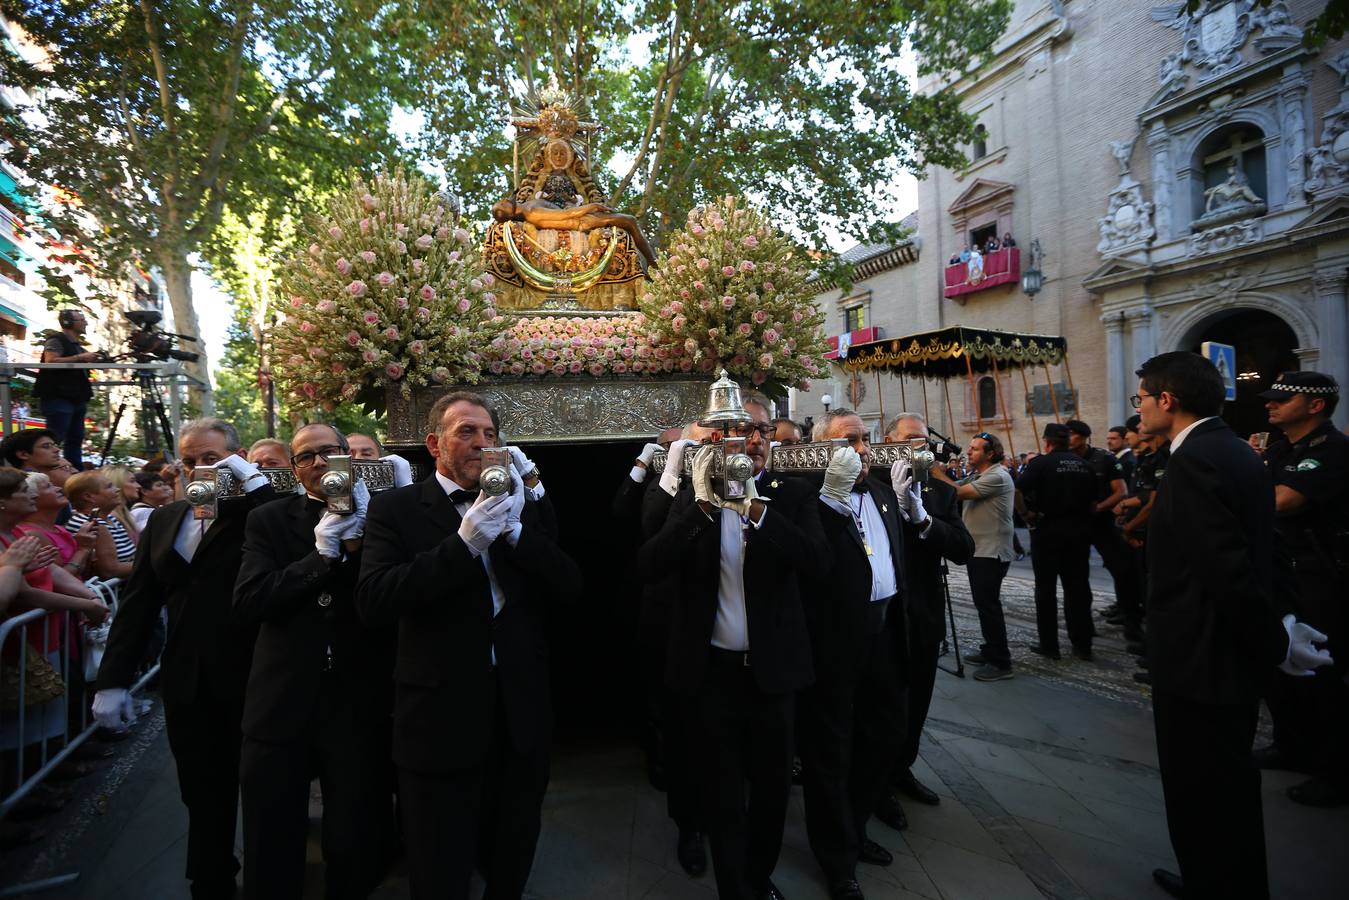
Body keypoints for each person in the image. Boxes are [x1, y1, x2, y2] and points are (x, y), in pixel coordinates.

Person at [357, 392, 579, 900]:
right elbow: (374, 601)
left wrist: (520, 532)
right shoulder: (395, 510)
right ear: (435, 444)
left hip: (518, 709)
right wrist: (464, 545)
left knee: (514, 843)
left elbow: (569, 587)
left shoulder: (518, 498)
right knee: (439, 860)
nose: (482, 443)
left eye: (490, 434)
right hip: (438, 714)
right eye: (467, 432)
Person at [1133, 351, 1332, 899]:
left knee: (1201, 785)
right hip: (1221, 655)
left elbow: (1225, 569)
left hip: (1201, 657)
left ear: (1166, 400)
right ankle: (1222, 877)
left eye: (1142, 399)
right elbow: (1266, 546)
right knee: (1226, 785)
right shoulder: (1236, 450)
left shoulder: (1197, 459)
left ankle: (1216, 883)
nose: (1140, 409)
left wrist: (1275, 640)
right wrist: (1284, 620)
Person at [637, 395, 826, 900]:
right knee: (720, 796)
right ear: (716, 442)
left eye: (761, 431)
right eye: (737, 432)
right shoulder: (693, 497)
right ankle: (735, 890)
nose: (753, 441)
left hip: (773, 675)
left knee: (770, 795)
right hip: (710, 675)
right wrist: (703, 506)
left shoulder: (793, 495)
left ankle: (757, 878)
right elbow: (650, 565)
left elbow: (815, 563)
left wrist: (754, 508)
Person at [93, 418, 278, 900]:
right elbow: (138, 604)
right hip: (188, 683)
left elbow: (285, 519)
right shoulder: (165, 518)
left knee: (265, 792)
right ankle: (210, 880)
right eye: (191, 460)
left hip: (255, 676)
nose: (200, 469)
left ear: (237, 461)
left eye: (213, 459)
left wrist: (248, 481)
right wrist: (112, 681)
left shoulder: (261, 512)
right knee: (201, 791)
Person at [234, 424, 407, 899]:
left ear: (348, 458)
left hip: (356, 694)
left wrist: (358, 549)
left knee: (355, 824)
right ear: (294, 469)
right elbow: (251, 601)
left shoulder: (384, 516)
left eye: (328, 452)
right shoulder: (268, 520)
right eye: (305, 456)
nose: (317, 463)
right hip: (283, 694)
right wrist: (320, 555)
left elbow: (390, 602)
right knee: (271, 824)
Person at [797, 408, 906, 900]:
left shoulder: (882, 493)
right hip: (835, 643)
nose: (862, 450)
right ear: (822, 450)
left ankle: (856, 828)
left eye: (864, 441)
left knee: (882, 737)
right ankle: (836, 857)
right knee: (831, 752)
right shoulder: (808, 500)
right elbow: (808, 563)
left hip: (883, 635)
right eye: (849, 442)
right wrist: (831, 501)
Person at [1252, 371, 1349, 808]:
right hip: (1281, 572)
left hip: (1320, 576)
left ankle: (1335, 770)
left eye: (1282, 399)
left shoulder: (1332, 450)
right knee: (1279, 665)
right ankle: (1290, 744)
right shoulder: (1278, 449)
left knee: (1322, 673)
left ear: (1315, 405)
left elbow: (1283, 500)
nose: (1270, 405)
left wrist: (1237, 498)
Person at [874, 414, 972, 831]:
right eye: (909, 439)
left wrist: (922, 519)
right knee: (883, 702)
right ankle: (874, 782)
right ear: (889, 441)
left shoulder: (939, 491)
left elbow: (963, 547)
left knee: (917, 698)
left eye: (922, 439)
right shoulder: (871, 480)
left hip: (924, 609)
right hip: (882, 613)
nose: (918, 446)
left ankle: (901, 767)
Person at [932, 432, 1015, 681]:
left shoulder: (997, 476)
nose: (969, 452)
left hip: (990, 551)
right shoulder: (982, 474)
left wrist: (935, 471)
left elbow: (957, 493)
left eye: (976, 449)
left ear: (991, 454)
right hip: (981, 549)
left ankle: (1001, 662)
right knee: (984, 605)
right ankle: (990, 650)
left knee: (989, 607)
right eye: (969, 448)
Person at [1015, 423, 1097, 660]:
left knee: (1046, 590)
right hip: (1079, 534)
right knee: (1078, 588)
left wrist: (1027, 515)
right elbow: (1094, 502)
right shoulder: (1085, 466)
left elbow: (1017, 490)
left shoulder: (1040, 463)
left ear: (1047, 442)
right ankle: (1083, 645)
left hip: (1048, 531)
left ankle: (1050, 646)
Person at [1065, 420, 1139, 642]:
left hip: (1102, 522)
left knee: (1122, 570)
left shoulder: (1104, 458)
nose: (1069, 439)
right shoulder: (1065, 460)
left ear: (1083, 437)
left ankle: (1131, 621)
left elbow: (1121, 491)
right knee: (1077, 579)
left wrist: (1099, 507)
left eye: (1073, 434)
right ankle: (1083, 629)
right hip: (1077, 524)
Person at [34, 310, 99, 469]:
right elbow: (51, 360)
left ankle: (74, 475)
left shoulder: (76, 346)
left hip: (76, 398)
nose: (85, 323)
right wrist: (82, 358)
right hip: (58, 397)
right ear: (68, 322)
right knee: (54, 439)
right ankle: (47, 472)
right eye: (81, 319)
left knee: (75, 439)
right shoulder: (56, 340)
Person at [15, 472, 95, 579]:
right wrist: (83, 549)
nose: (58, 488)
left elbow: (82, 570)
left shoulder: (59, 529)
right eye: (48, 486)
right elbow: (61, 581)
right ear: (32, 497)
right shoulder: (32, 535)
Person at [63, 471, 137, 580]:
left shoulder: (110, 519)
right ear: (88, 496)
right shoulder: (93, 525)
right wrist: (151, 564)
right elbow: (110, 570)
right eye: (109, 487)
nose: (117, 489)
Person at [103, 465, 142, 539]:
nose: (138, 486)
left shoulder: (125, 513)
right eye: (132, 481)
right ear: (117, 484)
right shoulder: (109, 517)